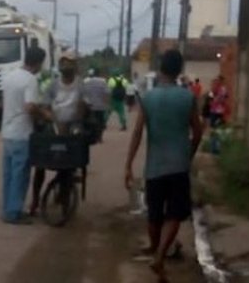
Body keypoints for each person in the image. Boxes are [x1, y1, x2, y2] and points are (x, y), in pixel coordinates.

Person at [125, 50, 203, 282]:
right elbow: (197, 132)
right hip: (178, 165)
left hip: (154, 167)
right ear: (179, 70)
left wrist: (128, 165)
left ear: (160, 68)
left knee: (154, 215)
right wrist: (188, 155)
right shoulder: (187, 97)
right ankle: (159, 255)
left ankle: (156, 250)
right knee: (175, 214)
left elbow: (138, 133)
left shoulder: (148, 98)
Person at [28, 50, 88, 216]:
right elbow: (45, 106)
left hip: (73, 128)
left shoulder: (80, 84)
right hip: (54, 127)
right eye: (63, 62)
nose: (66, 66)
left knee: (68, 163)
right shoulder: (53, 85)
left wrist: (75, 121)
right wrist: (53, 119)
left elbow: (83, 106)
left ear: (75, 66)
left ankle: (65, 193)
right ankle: (35, 201)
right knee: (41, 163)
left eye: (69, 63)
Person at [0, 47, 52, 225]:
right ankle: (14, 212)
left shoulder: (9, 77)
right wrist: (44, 115)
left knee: (8, 175)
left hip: (7, 132)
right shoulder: (30, 80)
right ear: (38, 63)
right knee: (20, 175)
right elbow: (30, 107)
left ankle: (6, 209)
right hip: (22, 133)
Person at [83, 68, 109, 143]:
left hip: (89, 106)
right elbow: (107, 93)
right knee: (100, 122)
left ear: (90, 75)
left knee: (90, 122)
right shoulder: (103, 81)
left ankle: (92, 137)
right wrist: (107, 103)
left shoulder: (86, 81)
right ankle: (100, 137)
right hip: (100, 106)